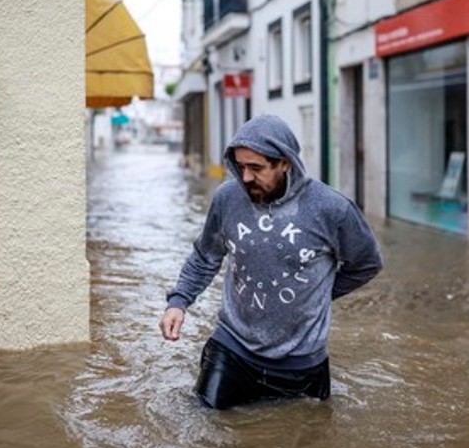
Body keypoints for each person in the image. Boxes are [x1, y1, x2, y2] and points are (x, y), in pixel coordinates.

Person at [159, 114, 383, 409]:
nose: (246, 177)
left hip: (301, 361)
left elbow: (366, 264)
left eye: (256, 168)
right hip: (232, 346)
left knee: (305, 434)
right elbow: (205, 256)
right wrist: (178, 301)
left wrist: (319, 293)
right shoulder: (227, 198)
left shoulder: (332, 209)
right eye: (240, 167)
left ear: (285, 163)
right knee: (206, 423)